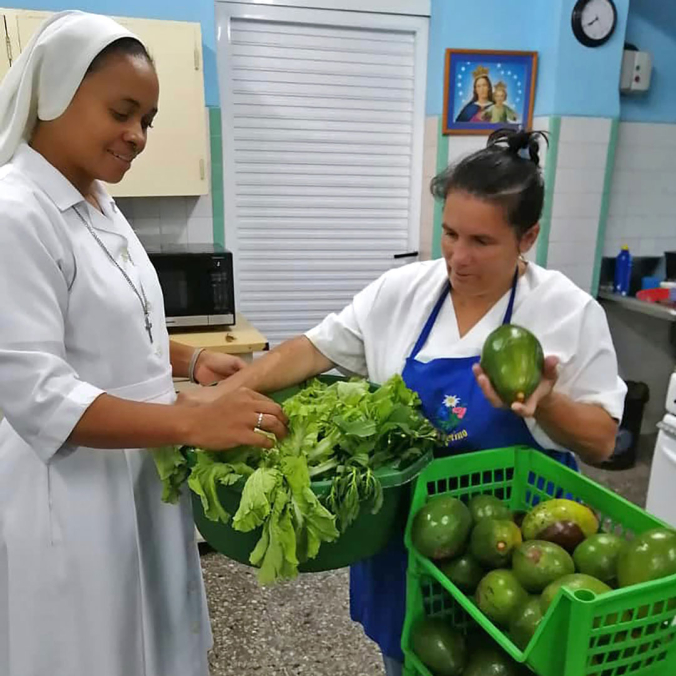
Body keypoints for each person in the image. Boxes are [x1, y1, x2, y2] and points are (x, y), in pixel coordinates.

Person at [182, 128, 626, 675]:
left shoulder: (566, 312)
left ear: (527, 237)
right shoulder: (404, 292)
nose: (458, 258)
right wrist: (212, 400)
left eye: (481, 242)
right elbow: (311, 351)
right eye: (449, 234)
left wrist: (546, 404)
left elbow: (603, 439)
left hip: (518, 550)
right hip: (412, 540)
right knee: (410, 656)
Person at [0, 11, 287, 676]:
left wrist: (187, 359)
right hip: (69, 491)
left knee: (151, 638)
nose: (137, 136)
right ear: (53, 94)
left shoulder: (97, 200)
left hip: (135, 469)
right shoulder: (16, 213)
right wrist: (191, 420)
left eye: (149, 119)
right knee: (94, 650)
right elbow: (40, 396)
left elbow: (114, 326)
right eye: (122, 112)